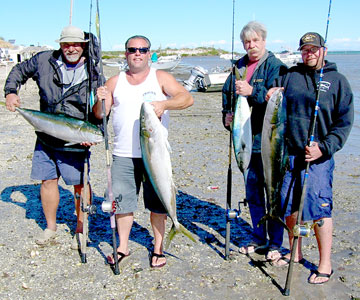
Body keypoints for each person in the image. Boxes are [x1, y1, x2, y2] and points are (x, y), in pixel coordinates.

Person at [94, 35, 193, 268]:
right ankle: (123, 247)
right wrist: (99, 100)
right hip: (122, 155)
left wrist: (164, 104)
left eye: (142, 49)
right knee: (123, 202)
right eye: (132, 50)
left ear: (149, 54)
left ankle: (158, 248)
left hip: (155, 155)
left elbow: (186, 98)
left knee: (158, 203)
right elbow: (100, 114)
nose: (137, 53)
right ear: (126, 54)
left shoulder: (160, 77)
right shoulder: (115, 81)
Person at [4, 25, 104, 249]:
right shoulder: (43, 60)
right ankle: (50, 227)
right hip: (47, 134)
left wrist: (95, 133)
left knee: (79, 184)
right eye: (67, 44)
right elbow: (18, 71)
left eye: (76, 44)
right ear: (60, 44)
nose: (72, 48)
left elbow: (99, 109)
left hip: (75, 138)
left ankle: (81, 226)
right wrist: (11, 92)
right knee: (48, 181)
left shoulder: (94, 71)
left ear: (84, 46)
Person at [267, 32, 354, 284]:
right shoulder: (290, 75)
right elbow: (266, 89)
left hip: (318, 158)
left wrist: (324, 148)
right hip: (288, 156)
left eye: (314, 49)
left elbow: (344, 123)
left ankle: (325, 263)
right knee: (289, 207)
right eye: (305, 50)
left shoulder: (338, 81)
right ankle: (296, 252)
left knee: (319, 209)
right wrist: (269, 91)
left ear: (324, 50)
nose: (309, 53)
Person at [222, 21, 286, 261]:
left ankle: (276, 243)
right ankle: (259, 237)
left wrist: (253, 92)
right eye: (247, 42)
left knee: (274, 193)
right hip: (244, 141)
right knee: (253, 193)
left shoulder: (275, 67)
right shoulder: (238, 66)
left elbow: (278, 100)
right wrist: (226, 117)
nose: (251, 45)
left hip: (269, 142)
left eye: (255, 40)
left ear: (264, 41)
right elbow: (227, 95)